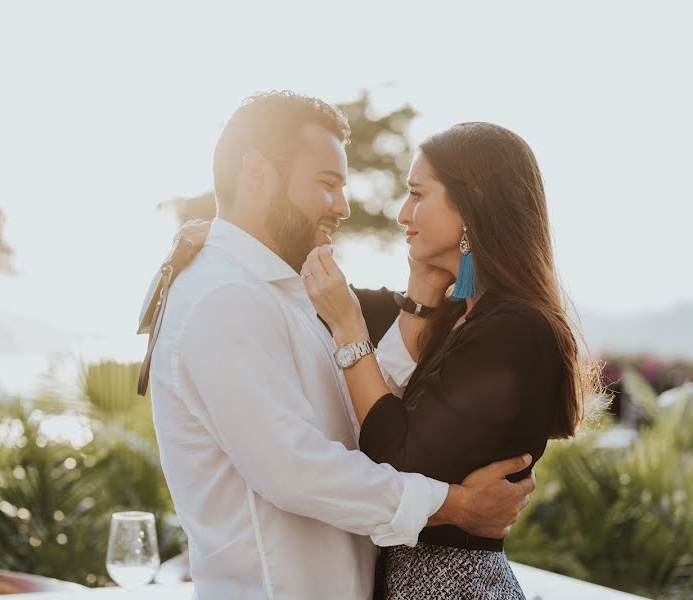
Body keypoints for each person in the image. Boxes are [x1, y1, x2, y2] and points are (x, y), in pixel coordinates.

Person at [148, 93, 536, 600]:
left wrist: (418, 302)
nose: (343, 206)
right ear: (258, 173)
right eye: (327, 184)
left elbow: (352, 428)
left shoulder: (278, 292)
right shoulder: (224, 297)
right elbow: (296, 469)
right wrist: (458, 506)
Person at [302, 122, 605, 599]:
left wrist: (349, 332)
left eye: (417, 194)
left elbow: (397, 458)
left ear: (472, 202)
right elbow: (299, 293)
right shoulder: (452, 318)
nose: (403, 214)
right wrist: (220, 234)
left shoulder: (516, 331)